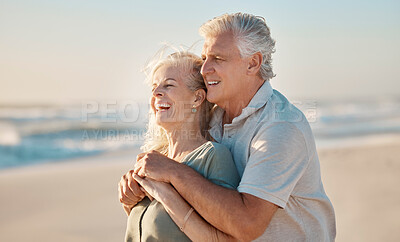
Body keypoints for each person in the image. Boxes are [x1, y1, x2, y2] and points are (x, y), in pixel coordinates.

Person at [122, 12, 336, 241]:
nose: (205, 69)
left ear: (253, 63)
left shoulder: (280, 127)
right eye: (204, 58)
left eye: (217, 58)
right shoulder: (211, 118)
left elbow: (247, 224)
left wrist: (173, 172)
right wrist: (137, 192)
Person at [119, 51, 240, 241]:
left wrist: (166, 192)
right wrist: (130, 200)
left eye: (168, 85)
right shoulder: (153, 160)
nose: (156, 93)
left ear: (197, 99)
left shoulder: (213, 157)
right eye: (154, 87)